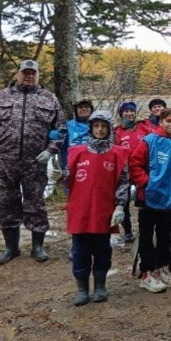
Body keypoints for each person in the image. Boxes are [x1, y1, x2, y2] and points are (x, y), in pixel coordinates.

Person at [0, 59, 67, 265]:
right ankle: (11, 247)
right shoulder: (0, 97)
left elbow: (60, 130)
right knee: (6, 203)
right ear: (17, 74)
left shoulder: (49, 99)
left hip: (35, 162)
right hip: (5, 161)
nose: (29, 76)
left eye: (33, 73)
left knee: (36, 203)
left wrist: (50, 150)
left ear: (38, 76)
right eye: (25, 73)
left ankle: (37, 247)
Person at [65, 111, 129, 306]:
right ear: (91, 128)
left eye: (103, 126)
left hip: (104, 211)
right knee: (80, 251)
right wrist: (60, 176)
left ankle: (100, 285)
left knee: (102, 250)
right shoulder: (77, 152)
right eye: (96, 126)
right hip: (80, 210)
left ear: (109, 128)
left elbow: (123, 182)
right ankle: (82, 289)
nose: (100, 130)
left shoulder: (118, 153)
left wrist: (119, 205)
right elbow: (68, 181)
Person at [129, 108, 171, 293]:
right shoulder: (149, 141)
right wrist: (148, 183)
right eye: (168, 121)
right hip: (149, 197)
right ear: (160, 122)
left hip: (169, 198)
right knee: (147, 236)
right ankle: (147, 273)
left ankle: (163, 268)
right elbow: (134, 164)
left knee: (164, 235)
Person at [114, 101, 153, 243]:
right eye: (126, 111)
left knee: (143, 200)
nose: (129, 114)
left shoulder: (143, 127)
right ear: (121, 114)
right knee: (123, 202)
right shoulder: (117, 131)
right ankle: (128, 231)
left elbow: (155, 139)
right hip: (124, 173)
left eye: (132, 111)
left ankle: (144, 229)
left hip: (142, 170)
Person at [60, 99, 94, 171]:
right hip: (71, 166)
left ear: (91, 109)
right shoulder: (67, 126)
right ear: (76, 110)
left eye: (86, 106)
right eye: (80, 107)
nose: (83, 109)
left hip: (92, 165)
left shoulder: (97, 125)